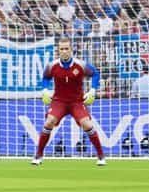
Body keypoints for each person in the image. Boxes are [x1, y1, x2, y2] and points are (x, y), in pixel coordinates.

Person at [34, 37, 105, 166]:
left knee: (87, 125)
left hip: (76, 102)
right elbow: (45, 78)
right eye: (62, 49)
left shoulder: (80, 65)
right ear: (58, 50)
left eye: (66, 48)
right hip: (59, 101)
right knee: (49, 122)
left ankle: (101, 156)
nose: (64, 51)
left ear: (71, 49)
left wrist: (93, 90)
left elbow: (95, 73)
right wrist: (44, 89)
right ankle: (38, 155)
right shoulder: (52, 66)